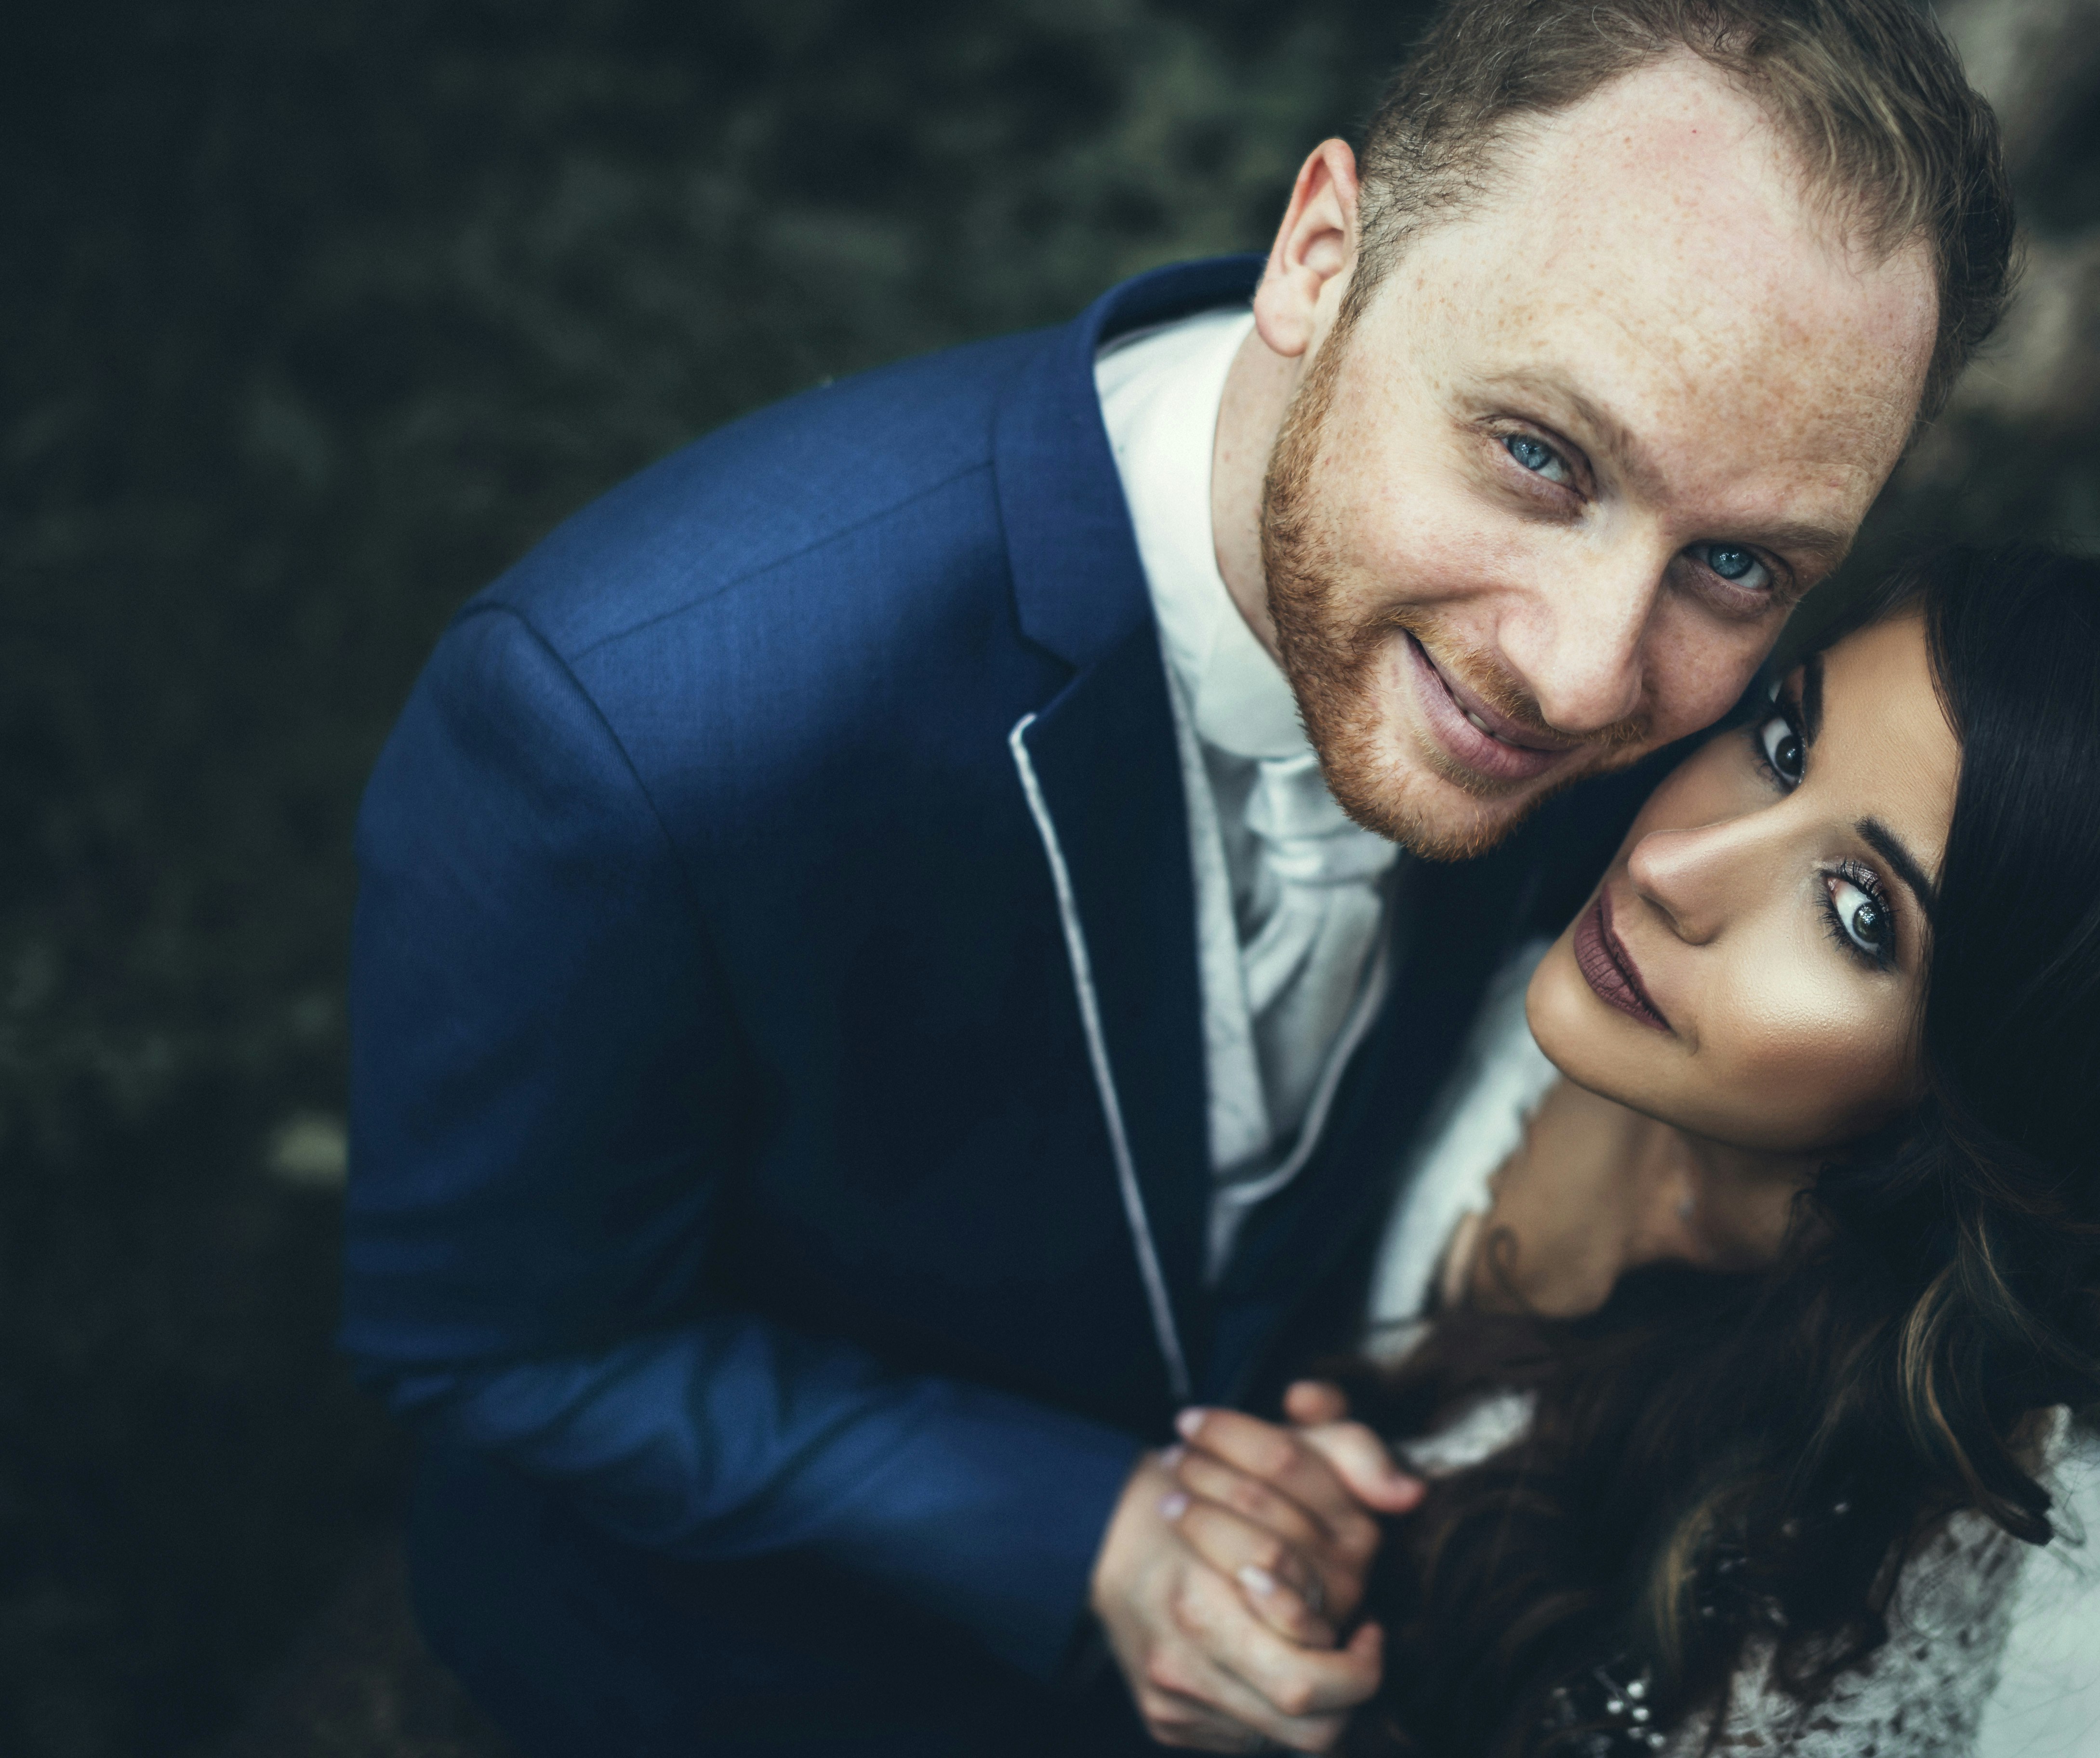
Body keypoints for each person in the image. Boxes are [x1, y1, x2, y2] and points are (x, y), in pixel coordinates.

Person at [339, 1, 2011, 1751]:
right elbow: (491, 1345)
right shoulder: (632, 723)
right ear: (1319, 257)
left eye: (1740, 561)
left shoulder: (1681, 739)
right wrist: (1091, 1529)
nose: (1589, 679)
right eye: (1539, 455)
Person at [1154, 543, 2100, 1755]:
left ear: (1984, 1099)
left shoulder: (1837, 1548)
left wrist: (1299, 1659)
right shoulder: (1541, 867)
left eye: (1859, 912)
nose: (1672, 863)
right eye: (1783, 745)